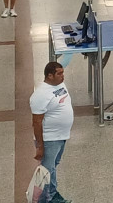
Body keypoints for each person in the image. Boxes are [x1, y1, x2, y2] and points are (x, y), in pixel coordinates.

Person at [30, 62, 73, 203]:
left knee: (52, 167)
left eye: (63, 72)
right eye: (59, 73)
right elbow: (36, 122)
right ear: (50, 75)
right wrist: (40, 146)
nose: (63, 76)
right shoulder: (40, 95)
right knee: (47, 171)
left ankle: (52, 195)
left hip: (61, 136)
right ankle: (45, 199)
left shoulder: (59, 85)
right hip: (50, 139)